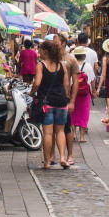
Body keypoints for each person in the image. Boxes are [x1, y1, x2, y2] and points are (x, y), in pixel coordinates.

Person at [30, 39, 75, 169]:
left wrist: (32, 93)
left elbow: (37, 83)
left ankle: (47, 162)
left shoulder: (41, 65)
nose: (39, 53)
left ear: (45, 51)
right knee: (60, 131)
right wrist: (65, 96)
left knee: (48, 133)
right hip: (61, 102)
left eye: (40, 51)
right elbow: (67, 84)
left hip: (47, 102)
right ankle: (62, 158)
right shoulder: (61, 65)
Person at [55, 33, 81, 164]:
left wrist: (72, 101)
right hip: (52, 98)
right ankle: (54, 156)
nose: (54, 44)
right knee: (51, 128)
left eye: (56, 41)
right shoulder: (50, 59)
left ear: (63, 43)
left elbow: (75, 81)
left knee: (67, 127)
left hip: (65, 98)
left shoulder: (71, 59)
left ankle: (70, 155)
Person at [71, 46, 93, 143]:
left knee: (73, 113)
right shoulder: (87, 66)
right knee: (84, 113)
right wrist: (94, 91)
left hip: (73, 92)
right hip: (85, 93)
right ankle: (82, 136)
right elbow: (92, 80)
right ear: (83, 56)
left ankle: (73, 134)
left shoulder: (72, 64)